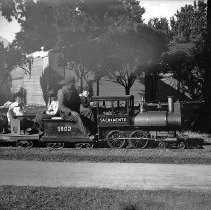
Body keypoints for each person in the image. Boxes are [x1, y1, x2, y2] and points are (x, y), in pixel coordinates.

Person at [57, 76, 96, 140]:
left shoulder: (74, 91)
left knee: (88, 111)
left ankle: (93, 130)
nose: (74, 84)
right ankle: (88, 134)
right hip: (66, 113)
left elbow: (79, 102)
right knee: (76, 115)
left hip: (75, 109)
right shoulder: (61, 92)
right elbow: (61, 106)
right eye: (73, 83)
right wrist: (70, 111)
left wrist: (85, 106)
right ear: (68, 83)